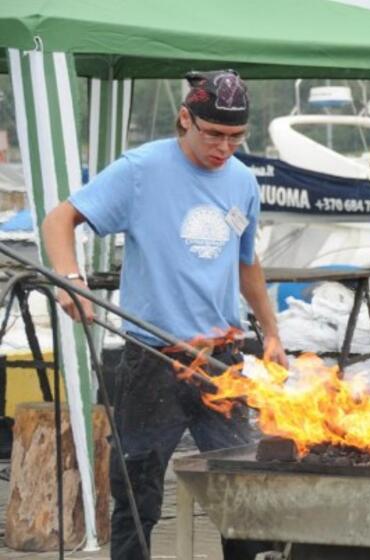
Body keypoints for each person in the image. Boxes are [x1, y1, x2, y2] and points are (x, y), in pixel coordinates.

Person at [42, 69, 288, 560]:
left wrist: (273, 331)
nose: (224, 148)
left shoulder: (241, 180)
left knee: (243, 490)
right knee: (137, 492)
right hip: (150, 355)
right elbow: (58, 220)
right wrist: (71, 280)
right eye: (213, 134)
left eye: (236, 137)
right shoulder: (141, 169)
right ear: (185, 118)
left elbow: (247, 261)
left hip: (221, 359)